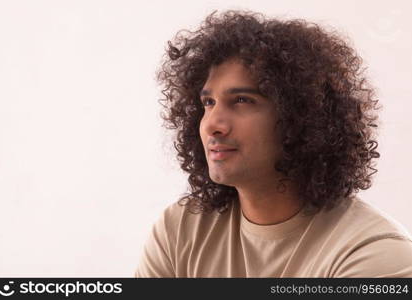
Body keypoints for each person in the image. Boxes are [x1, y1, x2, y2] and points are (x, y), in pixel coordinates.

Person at [134, 10, 412, 277]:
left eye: (242, 100)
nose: (212, 124)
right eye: (208, 103)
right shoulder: (182, 228)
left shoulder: (372, 253)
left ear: (301, 115)